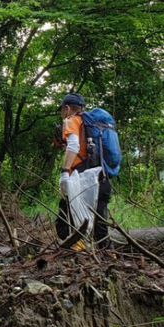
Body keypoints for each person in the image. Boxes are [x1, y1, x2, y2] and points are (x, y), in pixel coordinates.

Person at [55, 93, 113, 250]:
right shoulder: (95, 125)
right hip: (103, 177)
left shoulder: (71, 120)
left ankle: (75, 254)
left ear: (67, 108)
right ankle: (110, 258)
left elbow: (73, 146)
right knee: (100, 224)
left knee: (64, 223)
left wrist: (65, 172)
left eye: (62, 110)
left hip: (83, 179)